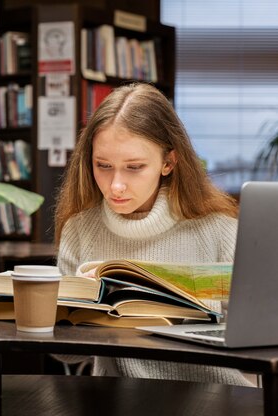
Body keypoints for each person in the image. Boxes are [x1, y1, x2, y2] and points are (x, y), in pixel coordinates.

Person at [52, 82, 253, 386]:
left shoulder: (219, 230)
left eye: (134, 167)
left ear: (168, 163)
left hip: (215, 396)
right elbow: (67, 356)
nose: (115, 185)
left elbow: (255, 335)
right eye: (103, 165)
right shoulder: (81, 229)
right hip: (119, 400)